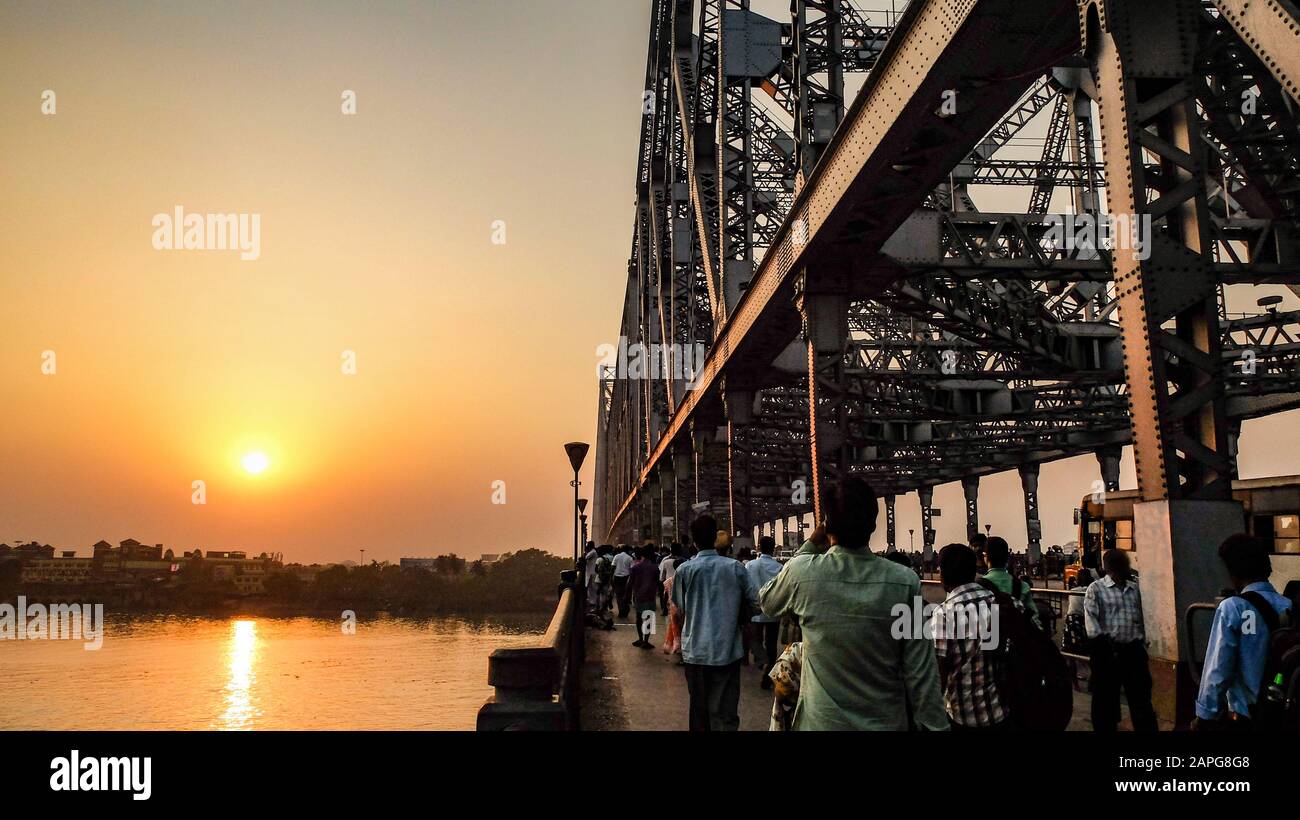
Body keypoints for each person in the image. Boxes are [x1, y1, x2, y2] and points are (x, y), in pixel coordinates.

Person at [758, 478, 948, 730]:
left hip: (820, 723)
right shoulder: (904, 582)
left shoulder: (803, 573)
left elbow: (767, 602)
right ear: (873, 524)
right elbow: (921, 671)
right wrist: (936, 726)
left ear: (827, 525)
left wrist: (809, 545)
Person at [1193, 534, 1294, 730]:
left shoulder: (1234, 608)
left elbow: (1218, 669)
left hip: (1247, 717)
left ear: (1232, 571)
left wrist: (1205, 715)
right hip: (1285, 712)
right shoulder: (1289, 606)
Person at [671, 514, 759, 731]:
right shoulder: (736, 568)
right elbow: (757, 602)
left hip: (695, 652)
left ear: (693, 541)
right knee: (726, 714)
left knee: (699, 714)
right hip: (727, 651)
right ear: (714, 538)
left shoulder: (684, 571)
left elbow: (679, 608)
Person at [932, 543, 1010, 730]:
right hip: (1004, 711)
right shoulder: (1005, 603)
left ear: (942, 574)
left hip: (964, 716)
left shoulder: (944, 614)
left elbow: (939, 673)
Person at [1084, 548, 1158, 732]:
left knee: (1141, 703)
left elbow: (1141, 620)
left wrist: (1142, 644)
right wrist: (1103, 647)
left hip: (1133, 651)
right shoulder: (1096, 589)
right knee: (1105, 706)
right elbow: (1091, 624)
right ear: (1110, 567)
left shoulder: (1134, 590)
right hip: (1108, 652)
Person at [746, 536, 783, 689]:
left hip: (754, 608)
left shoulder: (750, 565)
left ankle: (762, 658)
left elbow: (745, 586)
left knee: (754, 638)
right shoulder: (779, 567)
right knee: (772, 643)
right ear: (773, 548)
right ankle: (769, 673)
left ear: (759, 547)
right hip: (773, 609)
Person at [981, 536, 1041, 629]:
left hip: (988, 640)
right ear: (1007, 557)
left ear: (986, 557)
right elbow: (1034, 621)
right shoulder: (1022, 586)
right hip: (1017, 640)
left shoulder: (978, 586)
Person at [629, 546, 660, 649]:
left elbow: (630, 583)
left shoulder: (635, 567)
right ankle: (646, 641)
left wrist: (627, 596)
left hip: (638, 595)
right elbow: (658, 582)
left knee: (638, 617)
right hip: (650, 596)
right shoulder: (655, 568)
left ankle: (640, 639)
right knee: (648, 618)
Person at [662, 556, 686, 658]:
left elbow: (665, 596)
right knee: (684, 630)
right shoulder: (686, 580)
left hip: (673, 608)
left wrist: (665, 607)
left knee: (675, 629)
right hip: (684, 609)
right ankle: (682, 653)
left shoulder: (669, 581)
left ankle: (676, 648)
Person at [611, 544, 634, 619]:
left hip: (617, 578)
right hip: (626, 578)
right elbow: (631, 570)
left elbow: (613, 567)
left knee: (618, 595)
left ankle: (621, 611)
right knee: (625, 595)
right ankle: (625, 609)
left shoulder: (616, 556)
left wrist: (611, 578)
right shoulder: (630, 558)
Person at [658, 543, 680, 616]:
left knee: (665, 595)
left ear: (671, 550)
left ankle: (664, 610)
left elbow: (661, 578)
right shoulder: (684, 561)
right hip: (680, 585)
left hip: (668, 585)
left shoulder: (666, 561)